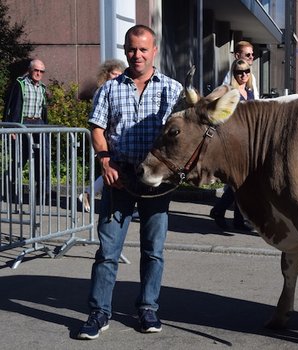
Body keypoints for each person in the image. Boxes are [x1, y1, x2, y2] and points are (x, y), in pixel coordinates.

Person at [77, 25, 183, 340]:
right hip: (119, 178)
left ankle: (148, 308)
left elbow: (183, 135)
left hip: (156, 182)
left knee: (154, 250)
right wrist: (105, 160)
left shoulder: (172, 90)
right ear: (126, 50)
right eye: (131, 49)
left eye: (142, 49)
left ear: (154, 51)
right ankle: (98, 313)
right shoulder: (110, 89)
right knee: (108, 250)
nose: (136, 55)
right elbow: (97, 128)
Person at [209, 59, 254, 231]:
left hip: (247, 141)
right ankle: (222, 212)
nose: (243, 75)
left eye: (247, 71)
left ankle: (233, 217)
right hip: (234, 141)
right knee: (239, 182)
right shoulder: (227, 89)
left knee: (241, 182)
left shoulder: (249, 90)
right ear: (233, 73)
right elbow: (210, 103)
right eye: (239, 72)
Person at [79, 59, 127, 212]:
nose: (117, 76)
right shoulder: (103, 90)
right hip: (104, 136)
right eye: (114, 73)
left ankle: (89, 193)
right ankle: (88, 193)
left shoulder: (119, 89)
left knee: (111, 170)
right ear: (106, 74)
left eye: (120, 74)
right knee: (109, 167)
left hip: (112, 135)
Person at [2, 59, 49, 203]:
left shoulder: (42, 87)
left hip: (39, 123)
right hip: (23, 123)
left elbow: (44, 110)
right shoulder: (20, 84)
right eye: (36, 70)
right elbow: (12, 105)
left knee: (42, 159)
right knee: (19, 159)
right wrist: (12, 127)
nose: (38, 74)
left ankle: (42, 193)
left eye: (41, 71)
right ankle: (8, 190)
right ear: (30, 70)